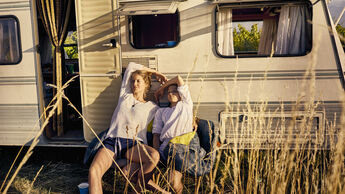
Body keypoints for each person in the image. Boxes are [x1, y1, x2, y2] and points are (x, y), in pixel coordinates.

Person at [88, 62, 167, 194]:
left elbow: (171, 114)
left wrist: (194, 121)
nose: (134, 84)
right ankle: (122, 163)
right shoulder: (125, 95)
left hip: (133, 144)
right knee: (93, 171)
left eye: (138, 81)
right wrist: (155, 72)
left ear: (146, 84)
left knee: (154, 155)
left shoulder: (153, 107)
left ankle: (137, 189)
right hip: (112, 141)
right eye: (132, 81)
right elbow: (131, 66)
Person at [152, 75, 194, 194]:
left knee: (174, 184)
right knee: (170, 182)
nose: (171, 94)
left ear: (180, 93)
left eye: (174, 91)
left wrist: (161, 89)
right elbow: (156, 135)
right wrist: (156, 155)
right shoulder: (161, 111)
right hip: (165, 149)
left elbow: (178, 78)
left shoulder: (186, 104)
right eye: (168, 92)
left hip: (181, 149)